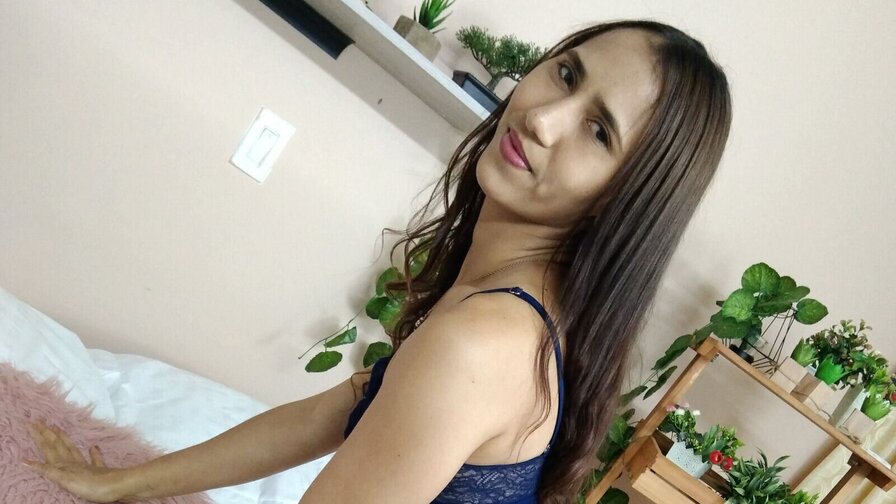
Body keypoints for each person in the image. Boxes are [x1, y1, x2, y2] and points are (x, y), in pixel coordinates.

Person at [24, 18, 731, 504]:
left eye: (598, 131)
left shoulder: (485, 342)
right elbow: (327, 415)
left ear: (621, 202)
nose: (544, 119)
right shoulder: (507, 309)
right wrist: (121, 482)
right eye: (567, 74)